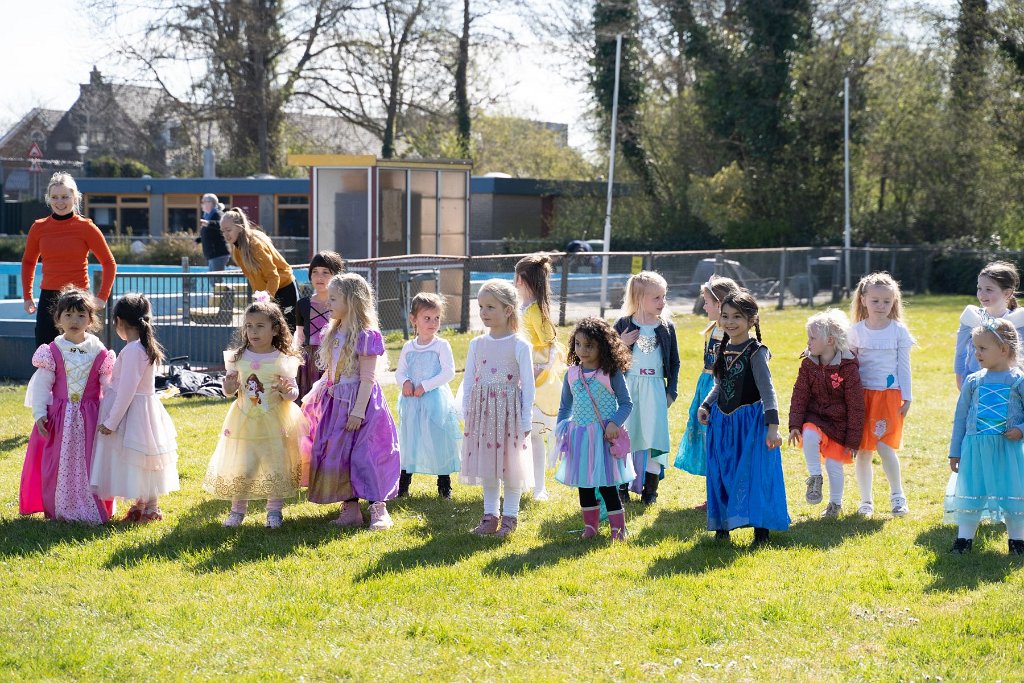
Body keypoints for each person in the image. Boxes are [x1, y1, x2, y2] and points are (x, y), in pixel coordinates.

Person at [305, 273, 401, 530]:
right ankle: (350, 507)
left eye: (334, 298)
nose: (329, 303)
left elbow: (367, 379)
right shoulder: (333, 332)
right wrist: (316, 393)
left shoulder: (366, 336)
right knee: (338, 453)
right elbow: (331, 371)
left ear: (352, 300)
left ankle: (378, 508)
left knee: (365, 455)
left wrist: (358, 412)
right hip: (336, 402)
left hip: (362, 404)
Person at [203, 293, 304, 529]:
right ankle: (237, 511)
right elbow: (229, 389)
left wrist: (286, 391)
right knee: (243, 466)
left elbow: (294, 393)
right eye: (249, 326)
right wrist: (227, 388)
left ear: (276, 329)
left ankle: (274, 512)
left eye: (260, 326)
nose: (254, 332)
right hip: (244, 420)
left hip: (274, 421)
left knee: (274, 465)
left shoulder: (283, 359)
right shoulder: (238, 357)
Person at [698, 291, 789, 547]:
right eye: (725, 316)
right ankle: (722, 526)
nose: (730, 322)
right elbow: (720, 384)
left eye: (737, 316)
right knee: (722, 472)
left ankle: (761, 531)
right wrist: (706, 405)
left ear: (752, 320)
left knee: (753, 474)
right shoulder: (724, 347)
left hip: (749, 424)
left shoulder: (756, 352)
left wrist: (773, 427)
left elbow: (768, 391)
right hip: (723, 423)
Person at [19, 286, 115, 523]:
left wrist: (112, 414)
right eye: (69, 315)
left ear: (90, 319)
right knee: (57, 461)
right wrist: (40, 413)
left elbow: (108, 386)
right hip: (60, 418)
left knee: (90, 460)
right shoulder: (52, 350)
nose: (75, 320)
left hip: (91, 417)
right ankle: (60, 505)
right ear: (58, 319)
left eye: (81, 315)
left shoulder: (99, 351)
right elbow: (43, 384)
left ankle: (91, 504)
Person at [90, 294, 179, 522]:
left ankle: (151, 506)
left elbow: (127, 391)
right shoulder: (142, 348)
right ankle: (142, 504)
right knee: (141, 460)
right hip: (142, 410)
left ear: (119, 321)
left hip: (133, 413)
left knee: (139, 460)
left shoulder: (132, 350)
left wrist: (111, 421)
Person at [460, 279, 535, 539]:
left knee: (511, 467)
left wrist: (526, 421)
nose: (483, 312)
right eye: (481, 306)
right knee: (488, 467)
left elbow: (529, 386)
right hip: (483, 416)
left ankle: (510, 516)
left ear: (508, 310)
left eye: (490, 307)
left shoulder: (520, 345)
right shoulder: (476, 344)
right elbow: (469, 380)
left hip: (509, 416)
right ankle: (490, 515)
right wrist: (467, 410)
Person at [946, 318, 1024, 555]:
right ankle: (964, 539)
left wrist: (1021, 429)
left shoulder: (1018, 381)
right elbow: (960, 419)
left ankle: (1017, 541)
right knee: (972, 493)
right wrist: (955, 451)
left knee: (1012, 494)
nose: (976, 353)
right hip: (975, 450)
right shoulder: (974, 381)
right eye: (975, 347)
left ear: (1003, 349)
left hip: (1007, 450)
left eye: (982, 348)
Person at [554, 317, 634, 541]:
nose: (583, 350)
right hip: (579, 437)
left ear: (603, 346)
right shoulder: (571, 373)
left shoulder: (611, 372)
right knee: (584, 485)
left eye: (589, 345)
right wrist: (561, 430)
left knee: (607, 484)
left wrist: (614, 423)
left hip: (603, 438)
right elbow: (565, 406)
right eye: (578, 344)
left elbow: (627, 403)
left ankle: (619, 529)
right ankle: (590, 527)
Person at [21, 172, 117, 348]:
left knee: (78, 354)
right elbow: (28, 262)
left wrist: (102, 297)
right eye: (55, 197)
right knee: (45, 354)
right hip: (48, 298)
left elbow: (109, 263)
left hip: (78, 299)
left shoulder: (86, 227)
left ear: (75, 197)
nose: (60, 202)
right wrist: (27, 296)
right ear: (48, 199)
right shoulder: (38, 228)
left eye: (65, 196)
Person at [848, 272, 915, 518]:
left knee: (886, 448)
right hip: (861, 397)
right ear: (863, 300)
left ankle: (898, 496)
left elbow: (904, 366)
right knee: (864, 451)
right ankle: (866, 501)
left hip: (889, 396)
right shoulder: (855, 332)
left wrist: (907, 396)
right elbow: (848, 364)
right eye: (875, 300)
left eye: (887, 301)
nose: (881, 306)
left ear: (894, 302)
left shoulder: (898, 331)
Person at [787, 309, 865, 519]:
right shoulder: (808, 364)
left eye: (813, 337)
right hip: (816, 418)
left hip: (840, 425)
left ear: (830, 340)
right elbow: (799, 395)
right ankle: (814, 478)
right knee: (809, 433)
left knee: (833, 464)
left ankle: (835, 504)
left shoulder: (848, 368)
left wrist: (853, 440)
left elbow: (856, 406)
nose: (808, 342)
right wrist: (795, 424)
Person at [674, 275, 741, 509]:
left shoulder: (732, 332)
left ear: (721, 304)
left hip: (720, 388)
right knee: (706, 440)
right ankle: (714, 494)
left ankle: (724, 494)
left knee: (719, 440)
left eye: (708, 302)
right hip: (706, 384)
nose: (704, 306)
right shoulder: (713, 329)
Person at [614, 271, 680, 505]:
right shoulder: (623, 324)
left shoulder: (666, 327)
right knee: (626, 435)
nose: (662, 302)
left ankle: (650, 490)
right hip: (628, 387)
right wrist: (621, 344)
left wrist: (671, 391)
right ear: (639, 298)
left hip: (655, 388)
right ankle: (621, 486)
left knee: (654, 437)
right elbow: (609, 358)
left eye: (664, 297)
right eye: (656, 298)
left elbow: (674, 361)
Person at [395, 293, 462, 499]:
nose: (433, 323)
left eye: (437, 318)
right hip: (412, 403)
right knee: (410, 439)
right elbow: (400, 371)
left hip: (434, 402)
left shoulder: (441, 345)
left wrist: (426, 385)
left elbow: (449, 371)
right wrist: (405, 381)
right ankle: (403, 484)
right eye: (427, 318)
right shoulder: (408, 346)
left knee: (437, 440)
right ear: (414, 319)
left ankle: (444, 485)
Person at [514, 253, 566, 501]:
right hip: (517, 373)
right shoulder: (520, 308)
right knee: (520, 435)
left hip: (535, 380)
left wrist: (538, 369)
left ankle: (539, 487)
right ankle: (523, 480)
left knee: (535, 434)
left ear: (522, 279)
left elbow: (551, 345)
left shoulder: (536, 311)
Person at [220, 207, 299, 332]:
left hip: (285, 288)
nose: (225, 234)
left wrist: (266, 301)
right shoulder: (237, 250)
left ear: (240, 227)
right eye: (223, 231)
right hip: (268, 293)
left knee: (289, 332)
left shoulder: (255, 245)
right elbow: (253, 278)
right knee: (269, 333)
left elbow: (273, 276)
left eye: (228, 230)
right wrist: (259, 298)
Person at [954, 261, 1024, 390]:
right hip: (975, 381)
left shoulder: (1019, 320)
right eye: (979, 288)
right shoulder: (970, 317)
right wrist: (960, 378)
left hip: (1010, 384)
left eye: (989, 290)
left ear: (1007, 293)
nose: (982, 294)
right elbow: (960, 351)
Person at [295, 250, 345, 401]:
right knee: (308, 403)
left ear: (336, 276)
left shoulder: (343, 304)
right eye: (315, 272)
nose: (319, 277)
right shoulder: (302, 304)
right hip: (309, 361)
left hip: (334, 357)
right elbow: (299, 336)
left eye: (325, 272)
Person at [195, 193, 230, 272]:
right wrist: (197, 241)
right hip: (213, 255)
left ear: (210, 203)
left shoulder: (218, 214)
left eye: (203, 202)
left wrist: (209, 223)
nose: (201, 204)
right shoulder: (208, 216)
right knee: (214, 281)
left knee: (216, 281)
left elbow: (222, 225)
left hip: (218, 254)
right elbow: (210, 234)